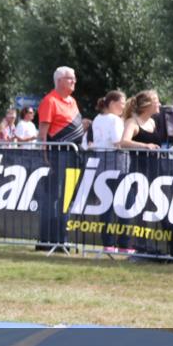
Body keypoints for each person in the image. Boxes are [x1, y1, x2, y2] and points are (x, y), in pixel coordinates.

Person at [36, 67, 85, 251]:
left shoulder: (72, 101)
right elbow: (43, 134)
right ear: (59, 81)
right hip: (58, 156)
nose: (74, 81)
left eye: (74, 78)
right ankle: (48, 239)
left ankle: (62, 238)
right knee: (55, 197)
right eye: (70, 78)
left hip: (74, 155)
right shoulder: (50, 101)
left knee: (68, 198)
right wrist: (45, 156)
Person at [90, 90, 133, 253]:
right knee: (124, 203)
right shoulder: (115, 120)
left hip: (101, 163)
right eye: (122, 103)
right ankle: (124, 244)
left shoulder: (97, 118)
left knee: (106, 205)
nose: (123, 107)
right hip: (117, 163)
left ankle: (107, 243)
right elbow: (118, 142)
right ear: (113, 103)